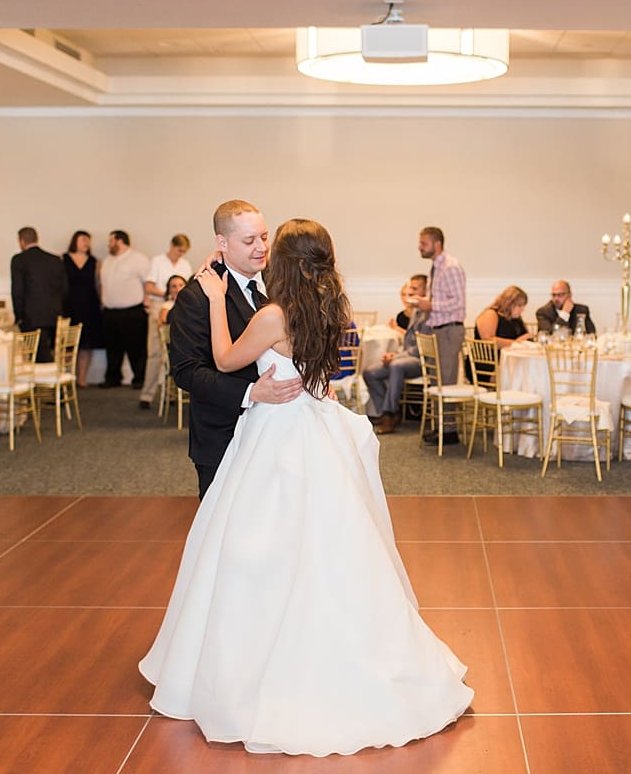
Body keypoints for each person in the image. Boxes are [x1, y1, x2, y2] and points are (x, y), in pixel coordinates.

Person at [139, 218, 473, 755]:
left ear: (285, 263)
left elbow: (225, 359)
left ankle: (256, 660)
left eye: (271, 246)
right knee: (324, 547)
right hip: (315, 425)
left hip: (277, 433)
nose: (262, 251)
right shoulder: (328, 309)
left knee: (259, 547)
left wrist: (218, 297)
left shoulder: (274, 313)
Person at [168, 200, 303, 498]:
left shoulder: (276, 280)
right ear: (222, 242)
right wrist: (250, 393)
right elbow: (186, 371)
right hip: (224, 436)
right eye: (249, 240)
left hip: (281, 434)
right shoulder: (197, 297)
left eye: (264, 237)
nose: (261, 247)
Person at [410, 226, 466, 445]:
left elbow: (458, 302)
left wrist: (430, 304)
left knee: (447, 380)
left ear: (437, 244)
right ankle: (441, 427)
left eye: (423, 243)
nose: (419, 247)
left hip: (450, 330)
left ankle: (449, 431)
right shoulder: (436, 267)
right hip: (438, 328)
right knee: (437, 380)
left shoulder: (451, 267)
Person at [366, 275, 429, 435]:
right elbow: (409, 344)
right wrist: (394, 354)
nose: (410, 292)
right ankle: (384, 412)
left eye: (414, 289)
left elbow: (420, 348)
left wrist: (395, 357)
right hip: (406, 356)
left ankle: (389, 414)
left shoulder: (429, 314)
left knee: (396, 365)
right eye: (410, 288)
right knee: (370, 372)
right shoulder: (415, 312)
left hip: (423, 361)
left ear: (425, 290)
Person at [139, 234, 194, 409]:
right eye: (179, 250)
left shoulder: (185, 264)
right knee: (156, 352)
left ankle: (173, 392)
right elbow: (148, 286)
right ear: (172, 246)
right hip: (160, 304)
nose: (180, 254)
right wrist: (167, 294)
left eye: (183, 252)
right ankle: (147, 395)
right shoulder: (158, 261)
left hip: (181, 306)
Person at [99, 229, 150, 390]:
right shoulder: (107, 261)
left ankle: (139, 378)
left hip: (132, 311)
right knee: (112, 348)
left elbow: (147, 283)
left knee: (136, 348)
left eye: (111, 241)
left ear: (120, 241)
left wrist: (147, 302)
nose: (109, 244)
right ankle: (113, 378)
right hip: (110, 311)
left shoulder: (138, 259)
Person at [11, 226, 68, 363]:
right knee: (48, 351)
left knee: (37, 355)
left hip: (31, 317)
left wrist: (18, 315)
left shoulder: (19, 260)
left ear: (22, 241)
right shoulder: (55, 260)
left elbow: (17, 290)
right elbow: (65, 289)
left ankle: (42, 381)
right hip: (54, 315)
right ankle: (50, 378)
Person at [63, 230, 103, 387]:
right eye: (83, 240)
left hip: (89, 305)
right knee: (67, 344)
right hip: (69, 305)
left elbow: (98, 284)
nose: (86, 243)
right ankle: (66, 376)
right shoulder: (63, 259)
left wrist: (102, 302)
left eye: (88, 241)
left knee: (86, 344)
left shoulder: (94, 261)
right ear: (75, 241)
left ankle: (82, 378)